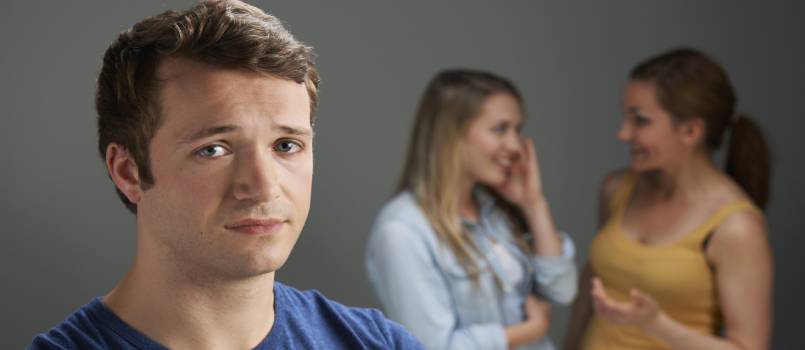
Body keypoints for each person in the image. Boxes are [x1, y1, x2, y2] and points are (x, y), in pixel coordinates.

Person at [29, 1, 423, 349]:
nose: (264, 187)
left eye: (286, 145)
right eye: (213, 149)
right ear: (128, 171)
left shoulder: (378, 343)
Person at [563, 48, 773, 350]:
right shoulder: (617, 189)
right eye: (625, 118)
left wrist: (656, 324)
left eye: (640, 121)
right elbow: (594, 278)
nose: (623, 133)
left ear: (690, 131)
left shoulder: (736, 227)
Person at [365, 69, 578, 350]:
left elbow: (562, 290)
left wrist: (534, 204)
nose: (516, 146)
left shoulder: (495, 210)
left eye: (518, 129)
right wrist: (528, 331)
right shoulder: (402, 231)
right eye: (500, 129)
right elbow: (432, 346)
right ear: (452, 135)